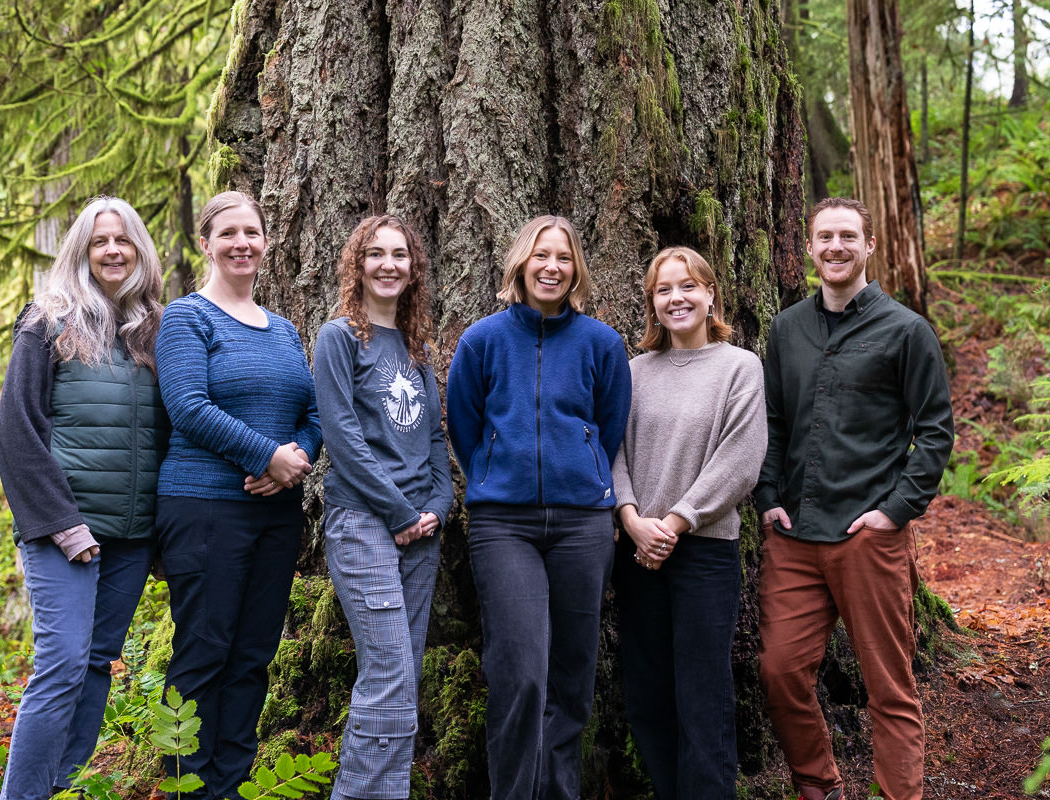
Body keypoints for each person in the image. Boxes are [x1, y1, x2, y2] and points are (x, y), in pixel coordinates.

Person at [754, 197, 955, 800]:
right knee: (780, 670)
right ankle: (821, 788)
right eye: (824, 237)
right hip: (794, 536)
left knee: (888, 687)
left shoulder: (906, 330)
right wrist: (767, 496)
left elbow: (936, 429)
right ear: (808, 248)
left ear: (870, 246)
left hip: (869, 538)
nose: (836, 247)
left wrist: (895, 511)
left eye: (848, 236)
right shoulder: (786, 329)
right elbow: (771, 420)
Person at [446, 215, 632, 800]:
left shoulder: (602, 343)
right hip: (504, 525)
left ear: (576, 269)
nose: (552, 266)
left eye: (564, 257)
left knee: (572, 676)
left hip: (583, 524)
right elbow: (465, 425)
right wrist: (495, 469)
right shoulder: (482, 340)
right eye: (541, 255)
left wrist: (583, 470)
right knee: (521, 671)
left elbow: (610, 424)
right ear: (521, 264)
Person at [0, 196, 169, 799]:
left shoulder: (156, 328)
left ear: (140, 250)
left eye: (124, 240)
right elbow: (17, 430)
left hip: (132, 537)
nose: (113, 251)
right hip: (65, 534)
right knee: (63, 665)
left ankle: (60, 789)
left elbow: (173, 429)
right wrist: (61, 523)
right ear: (83, 251)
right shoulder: (48, 320)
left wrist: (161, 532)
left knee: (96, 664)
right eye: (100, 242)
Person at [155, 191, 321, 799]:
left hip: (275, 515)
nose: (242, 243)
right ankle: (185, 787)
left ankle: (229, 784)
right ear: (206, 243)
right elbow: (187, 406)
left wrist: (295, 459)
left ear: (267, 242)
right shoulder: (186, 318)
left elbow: (312, 410)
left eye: (252, 232)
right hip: (202, 508)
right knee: (204, 650)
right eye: (228, 233)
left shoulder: (283, 329)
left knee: (252, 655)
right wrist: (265, 455)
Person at [610, 247, 767, 800]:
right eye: (663, 290)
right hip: (637, 553)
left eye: (687, 287)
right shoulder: (633, 372)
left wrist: (675, 522)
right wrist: (632, 521)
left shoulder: (739, 367)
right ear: (652, 303)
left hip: (703, 552)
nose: (676, 298)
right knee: (648, 693)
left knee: (703, 694)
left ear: (710, 295)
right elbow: (613, 455)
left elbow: (741, 460)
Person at [312, 215, 453, 800]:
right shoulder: (339, 339)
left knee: (404, 674)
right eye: (376, 254)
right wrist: (399, 512)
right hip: (364, 522)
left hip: (422, 529)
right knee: (390, 670)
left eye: (400, 254)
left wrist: (439, 508)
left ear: (414, 267)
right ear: (357, 265)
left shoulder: (418, 347)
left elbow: (436, 442)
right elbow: (341, 438)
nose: (389, 264)